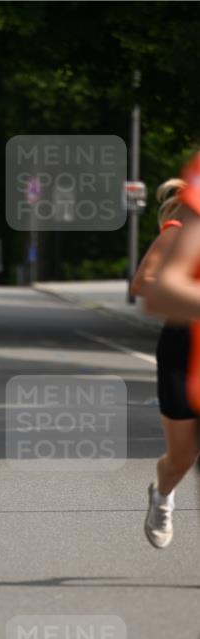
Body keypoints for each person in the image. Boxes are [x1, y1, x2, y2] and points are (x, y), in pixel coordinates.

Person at [132, 175, 200, 547]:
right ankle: (162, 496)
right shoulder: (179, 233)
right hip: (182, 349)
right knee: (182, 456)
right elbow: (144, 282)